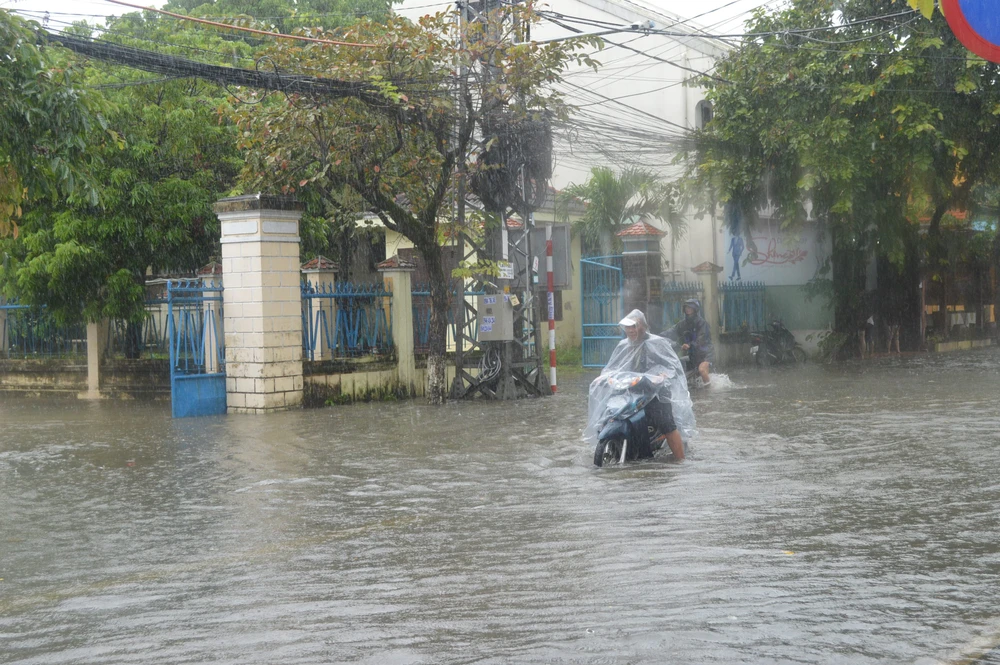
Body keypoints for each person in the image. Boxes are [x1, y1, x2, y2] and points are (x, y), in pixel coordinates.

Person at [584, 309, 694, 462]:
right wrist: (603, 378)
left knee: (667, 425)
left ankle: (681, 461)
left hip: (655, 393)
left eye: (634, 326)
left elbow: (672, 366)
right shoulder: (623, 346)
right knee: (610, 414)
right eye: (627, 327)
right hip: (629, 391)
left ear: (643, 326)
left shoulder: (657, 343)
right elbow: (612, 368)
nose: (630, 330)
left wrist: (662, 376)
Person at [662, 298, 714, 387]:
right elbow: (670, 332)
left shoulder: (702, 323)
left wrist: (689, 345)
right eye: (686, 307)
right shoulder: (682, 324)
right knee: (676, 365)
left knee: (701, 370)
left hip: (706, 354)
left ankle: (709, 392)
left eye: (690, 307)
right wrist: (655, 337)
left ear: (695, 309)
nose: (688, 309)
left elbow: (701, 339)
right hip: (692, 356)